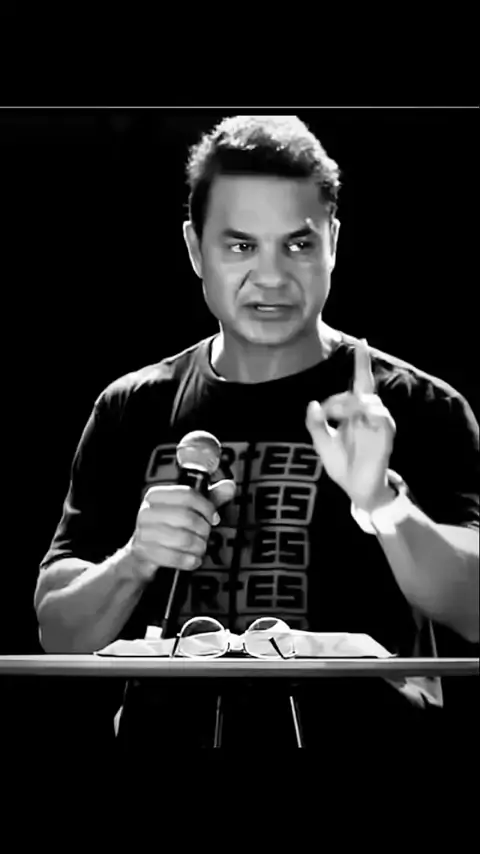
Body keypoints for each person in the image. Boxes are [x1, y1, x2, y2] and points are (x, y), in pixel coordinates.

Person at [34, 115, 479, 753]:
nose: (271, 277)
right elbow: (57, 631)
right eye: (241, 246)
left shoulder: (417, 406)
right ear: (195, 249)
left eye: (297, 245)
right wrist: (135, 561)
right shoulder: (130, 409)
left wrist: (382, 504)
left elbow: (475, 610)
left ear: (333, 242)